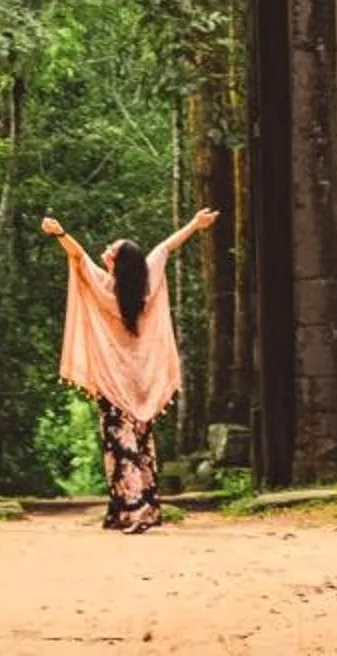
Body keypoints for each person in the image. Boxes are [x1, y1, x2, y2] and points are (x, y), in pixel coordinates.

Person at [39, 204, 219, 532]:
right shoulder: (146, 283)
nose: (106, 249)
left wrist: (60, 233)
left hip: (114, 381)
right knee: (141, 445)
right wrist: (195, 223)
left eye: (113, 249)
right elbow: (167, 246)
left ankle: (134, 511)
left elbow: (78, 256)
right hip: (142, 382)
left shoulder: (106, 288)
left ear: (118, 262)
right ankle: (142, 508)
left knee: (121, 448)